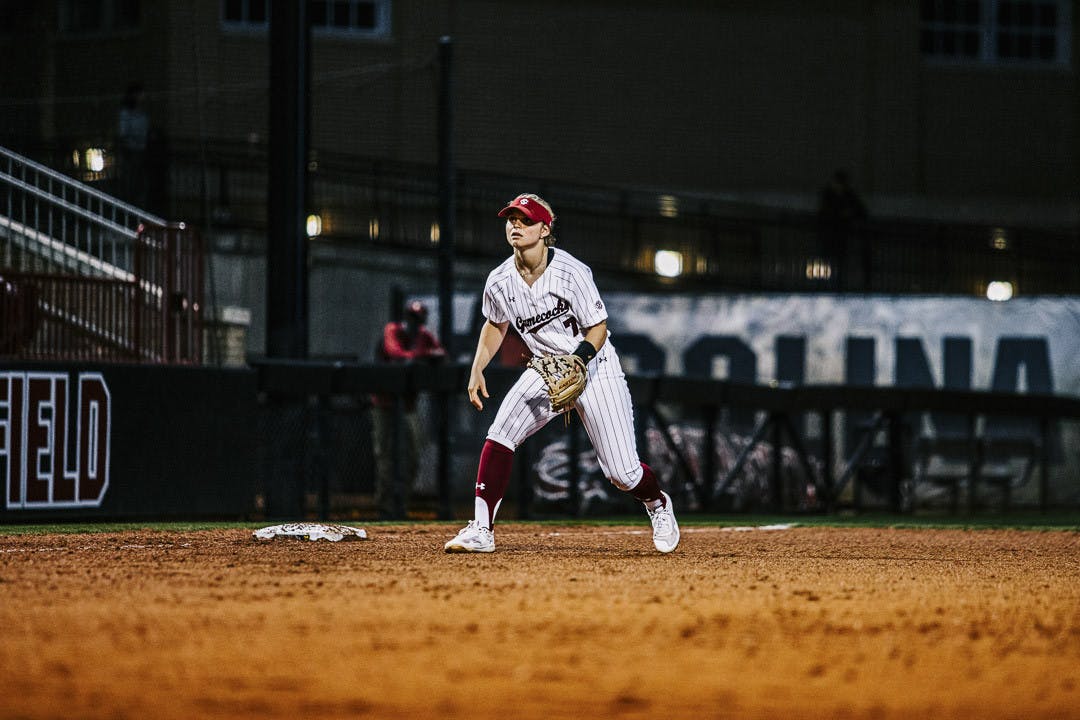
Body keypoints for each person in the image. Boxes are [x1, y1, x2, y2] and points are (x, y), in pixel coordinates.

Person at [444, 193, 680, 554]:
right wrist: (477, 367)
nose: (516, 226)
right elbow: (495, 323)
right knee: (500, 434)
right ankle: (481, 529)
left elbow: (598, 328)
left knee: (623, 473)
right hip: (546, 368)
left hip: (595, 366)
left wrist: (579, 361)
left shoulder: (571, 271)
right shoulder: (499, 280)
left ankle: (658, 504)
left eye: (525, 220)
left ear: (545, 228)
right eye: (511, 220)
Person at [371, 300, 446, 519]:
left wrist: (426, 355)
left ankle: (401, 506)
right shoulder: (393, 330)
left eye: (419, 319)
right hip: (384, 404)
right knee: (385, 457)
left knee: (412, 456)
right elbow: (395, 354)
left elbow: (441, 353)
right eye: (412, 318)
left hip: (407, 406)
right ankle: (384, 509)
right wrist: (423, 355)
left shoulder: (423, 335)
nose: (415, 324)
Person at [817, 169, 868, 291]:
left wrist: (848, 214)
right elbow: (824, 213)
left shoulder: (848, 195)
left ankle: (836, 285)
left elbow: (862, 211)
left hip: (841, 235)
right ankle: (826, 284)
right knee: (828, 259)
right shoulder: (829, 195)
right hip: (830, 234)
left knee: (839, 261)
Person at [116, 82, 150, 207]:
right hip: (131, 151)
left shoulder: (142, 113)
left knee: (140, 183)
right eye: (141, 94)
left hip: (141, 150)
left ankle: (138, 207)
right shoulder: (127, 113)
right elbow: (123, 133)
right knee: (130, 182)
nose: (143, 97)